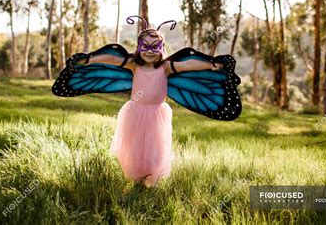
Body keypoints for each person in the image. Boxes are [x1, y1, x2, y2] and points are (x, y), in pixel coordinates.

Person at [52, 15, 241, 187]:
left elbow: (188, 64)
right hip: (135, 111)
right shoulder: (134, 64)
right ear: (138, 47)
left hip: (157, 114)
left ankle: (151, 179)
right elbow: (111, 57)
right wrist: (90, 59)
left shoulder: (166, 67)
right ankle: (136, 179)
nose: (150, 51)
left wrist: (210, 64)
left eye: (155, 46)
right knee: (135, 147)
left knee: (155, 148)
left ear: (162, 48)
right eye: (145, 46)